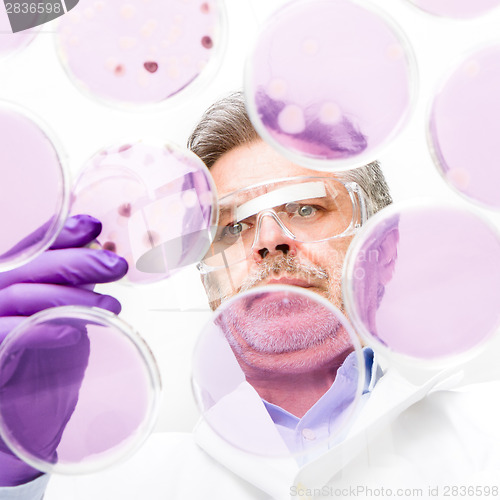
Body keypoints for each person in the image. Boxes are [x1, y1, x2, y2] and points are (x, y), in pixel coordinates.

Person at [1, 92, 499, 500]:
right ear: (206, 278)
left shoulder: (488, 435)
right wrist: (15, 472)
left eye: (305, 208)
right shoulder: (109, 486)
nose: (267, 240)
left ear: (382, 248)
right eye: (231, 227)